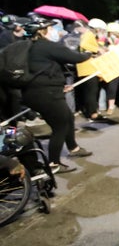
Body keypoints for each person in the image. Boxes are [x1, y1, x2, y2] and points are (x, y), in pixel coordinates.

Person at [20, 18, 93, 174]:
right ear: (41, 31)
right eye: (49, 28)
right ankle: (53, 163)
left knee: (68, 117)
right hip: (46, 94)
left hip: (39, 92)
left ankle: (73, 148)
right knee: (60, 126)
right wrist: (89, 53)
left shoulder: (29, 47)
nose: (52, 31)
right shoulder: (46, 46)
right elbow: (75, 57)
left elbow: (45, 70)